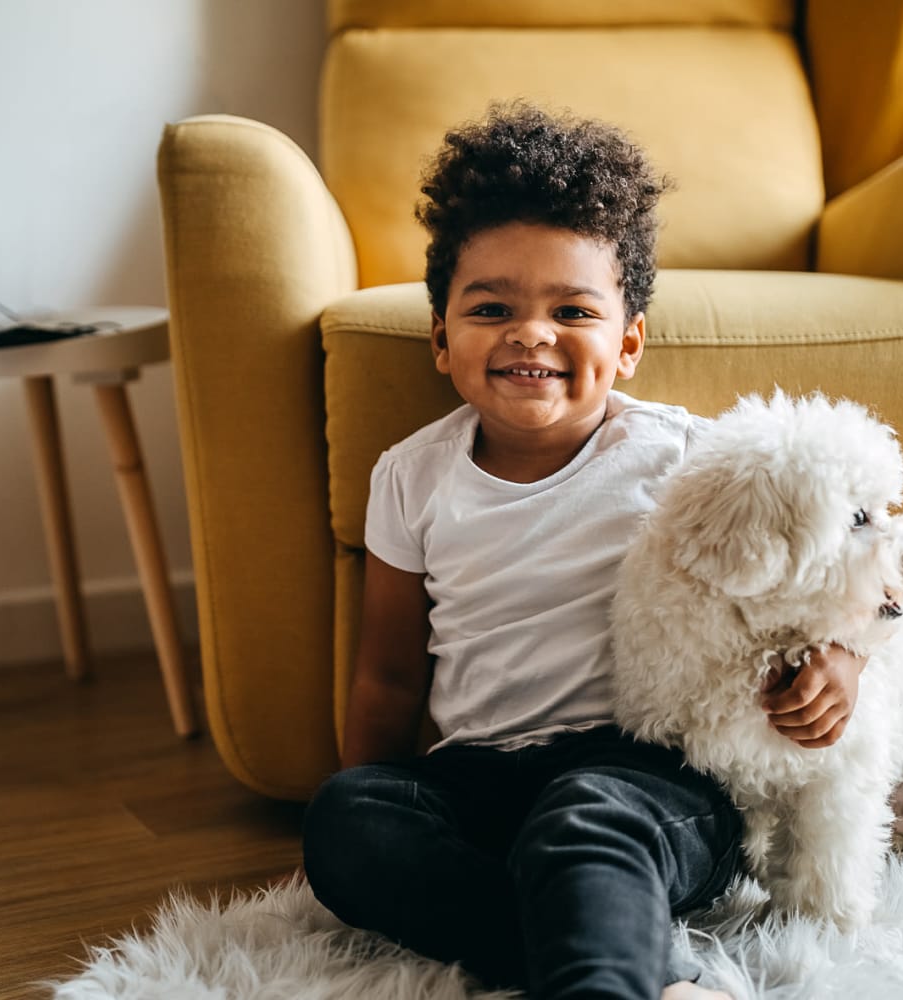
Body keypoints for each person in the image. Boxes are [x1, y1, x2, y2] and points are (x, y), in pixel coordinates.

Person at [301, 102, 866, 1000]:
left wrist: (839, 657)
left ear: (628, 342)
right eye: (492, 308)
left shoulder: (687, 457)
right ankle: (647, 967)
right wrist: (378, 795)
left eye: (572, 309)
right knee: (345, 822)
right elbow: (388, 678)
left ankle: (605, 980)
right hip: (482, 778)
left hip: (650, 781)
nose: (532, 333)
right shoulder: (410, 478)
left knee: (583, 821)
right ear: (442, 339)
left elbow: (837, 565)